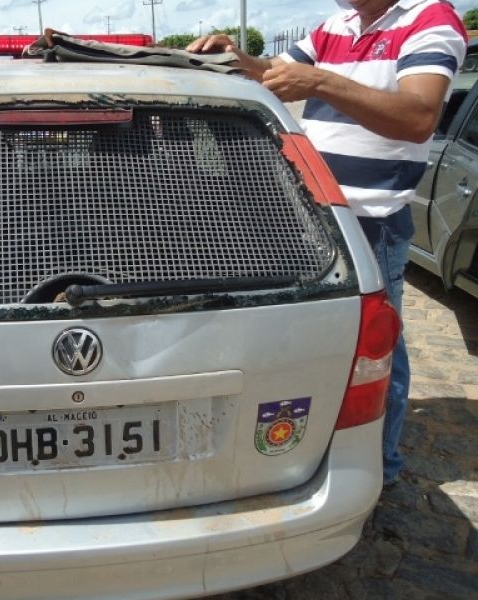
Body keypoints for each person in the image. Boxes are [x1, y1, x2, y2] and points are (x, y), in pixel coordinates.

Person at [187, 0, 467, 486]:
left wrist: (320, 83)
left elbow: (418, 116)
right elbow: (275, 73)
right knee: (324, 337)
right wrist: (238, 57)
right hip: (313, 212)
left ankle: (379, 465)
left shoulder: (430, 19)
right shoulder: (336, 26)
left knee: (374, 351)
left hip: (370, 222)